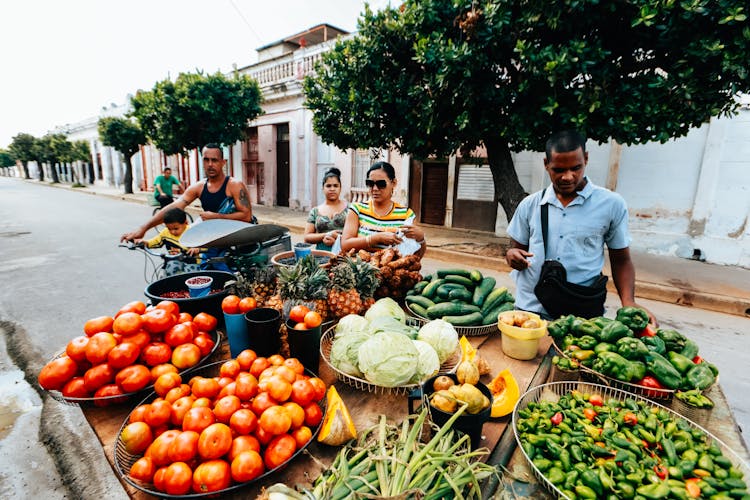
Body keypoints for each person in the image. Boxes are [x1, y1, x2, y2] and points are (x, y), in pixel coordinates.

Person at [505, 130, 656, 324]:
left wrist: (628, 302)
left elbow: (621, 260)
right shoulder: (530, 204)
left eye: (576, 168)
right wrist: (512, 256)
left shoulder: (611, 204)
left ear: (586, 159)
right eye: (558, 170)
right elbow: (515, 249)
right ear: (546, 165)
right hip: (530, 311)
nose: (568, 177)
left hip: (581, 315)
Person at [121, 143, 254, 243]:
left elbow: (246, 217)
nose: (210, 164)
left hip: (238, 240)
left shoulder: (234, 185)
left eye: (214, 160)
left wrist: (216, 216)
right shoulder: (199, 187)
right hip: (214, 238)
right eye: (206, 160)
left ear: (223, 162)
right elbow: (173, 207)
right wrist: (143, 229)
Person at [341, 161, 426, 258]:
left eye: (381, 184)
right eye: (370, 183)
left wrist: (421, 239)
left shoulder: (406, 215)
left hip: (391, 271)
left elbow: (415, 257)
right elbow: (345, 244)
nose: (375, 188)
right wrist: (375, 238)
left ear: (393, 183)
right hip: (359, 270)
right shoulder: (357, 210)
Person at [134, 208, 201, 276]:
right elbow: (156, 241)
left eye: (176, 228)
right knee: (169, 273)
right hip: (173, 263)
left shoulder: (192, 233)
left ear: (186, 223)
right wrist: (145, 243)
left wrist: (197, 249)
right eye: (169, 229)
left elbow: (205, 245)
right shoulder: (165, 233)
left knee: (192, 275)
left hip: (192, 263)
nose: (172, 232)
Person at [304, 168, 348, 252]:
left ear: (340, 188)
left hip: (344, 256)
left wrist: (338, 239)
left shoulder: (350, 209)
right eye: (328, 186)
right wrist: (327, 234)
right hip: (321, 256)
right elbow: (307, 238)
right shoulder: (315, 211)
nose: (332, 189)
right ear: (323, 188)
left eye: (335, 185)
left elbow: (356, 236)